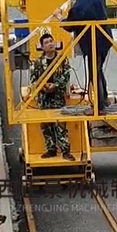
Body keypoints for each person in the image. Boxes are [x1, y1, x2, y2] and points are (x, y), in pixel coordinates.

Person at [53, 0, 113, 114]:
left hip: (91, 43)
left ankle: (100, 107)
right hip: (106, 39)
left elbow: (69, 26)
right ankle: (104, 100)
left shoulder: (77, 8)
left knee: (94, 73)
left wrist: (59, 17)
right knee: (98, 70)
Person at [30, 33, 75, 161]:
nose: (50, 44)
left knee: (60, 125)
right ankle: (51, 149)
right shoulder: (38, 63)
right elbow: (34, 80)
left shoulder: (62, 60)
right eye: (46, 42)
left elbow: (66, 75)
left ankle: (65, 150)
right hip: (44, 98)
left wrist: (55, 85)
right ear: (42, 47)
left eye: (51, 41)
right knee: (46, 125)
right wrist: (43, 87)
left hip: (58, 96)